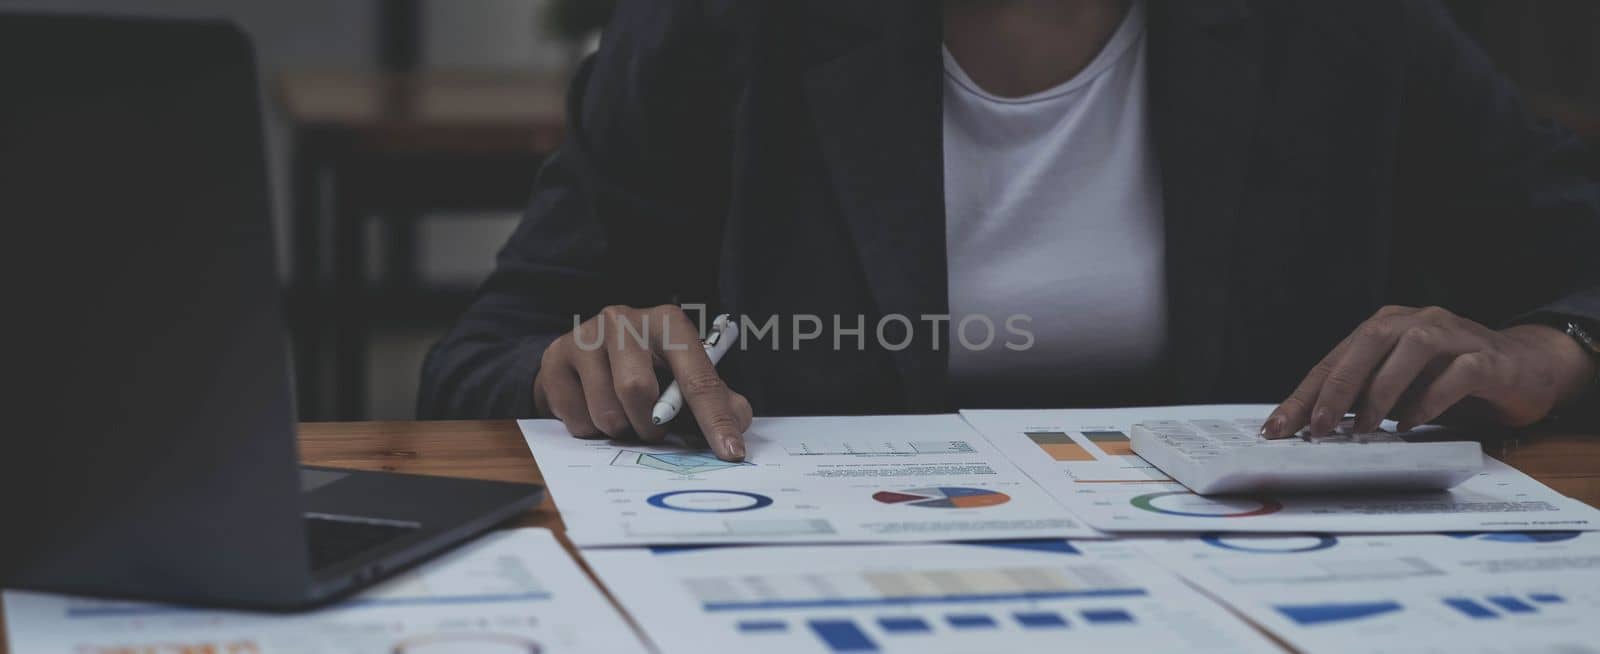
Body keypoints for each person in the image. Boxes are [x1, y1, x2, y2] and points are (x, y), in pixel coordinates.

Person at [419, 0, 1600, 462]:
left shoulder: (1338, 31)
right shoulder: (720, 31)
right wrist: (573, 361)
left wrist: (1550, 346)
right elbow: (485, 350)